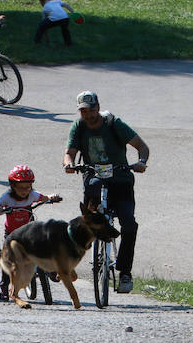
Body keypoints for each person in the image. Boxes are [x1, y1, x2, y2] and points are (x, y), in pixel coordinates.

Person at [63, 90, 149, 293]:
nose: (88, 115)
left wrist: (141, 162)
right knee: (86, 222)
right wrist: (69, 164)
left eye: (91, 110)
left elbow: (142, 146)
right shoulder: (79, 126)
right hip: (94, 180)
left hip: (121, 180)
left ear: (98, 108)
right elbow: (69, 152)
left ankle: (125, 272)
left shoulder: (113, 124)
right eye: (83, 111)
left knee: (129, 224)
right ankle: (66, 263)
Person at [0, 165, 62, 301]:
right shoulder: (7, 197)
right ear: (12, 186)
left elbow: (44, 197)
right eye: (20, 188)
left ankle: (51, 270)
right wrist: (2, 210)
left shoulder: (32, 195)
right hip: (12, 233)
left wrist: (52, 197)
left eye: (28, 187)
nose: (24, 191)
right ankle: (4, 286)